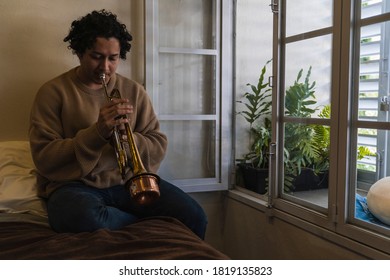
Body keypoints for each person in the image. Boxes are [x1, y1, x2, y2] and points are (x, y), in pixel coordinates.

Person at [29, 9, 207, 239]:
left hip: (128, 181)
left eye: (112, 58)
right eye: (96, 56)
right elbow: (44, 157)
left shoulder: (134, 91)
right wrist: (97, 133)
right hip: (75, 186)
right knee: (81, 216)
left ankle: (128, 225)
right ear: (80, 52)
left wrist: (128, 136)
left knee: (194, 215)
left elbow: (158, 143)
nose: (105, 67)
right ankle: (147, 230)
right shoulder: (53, 92)